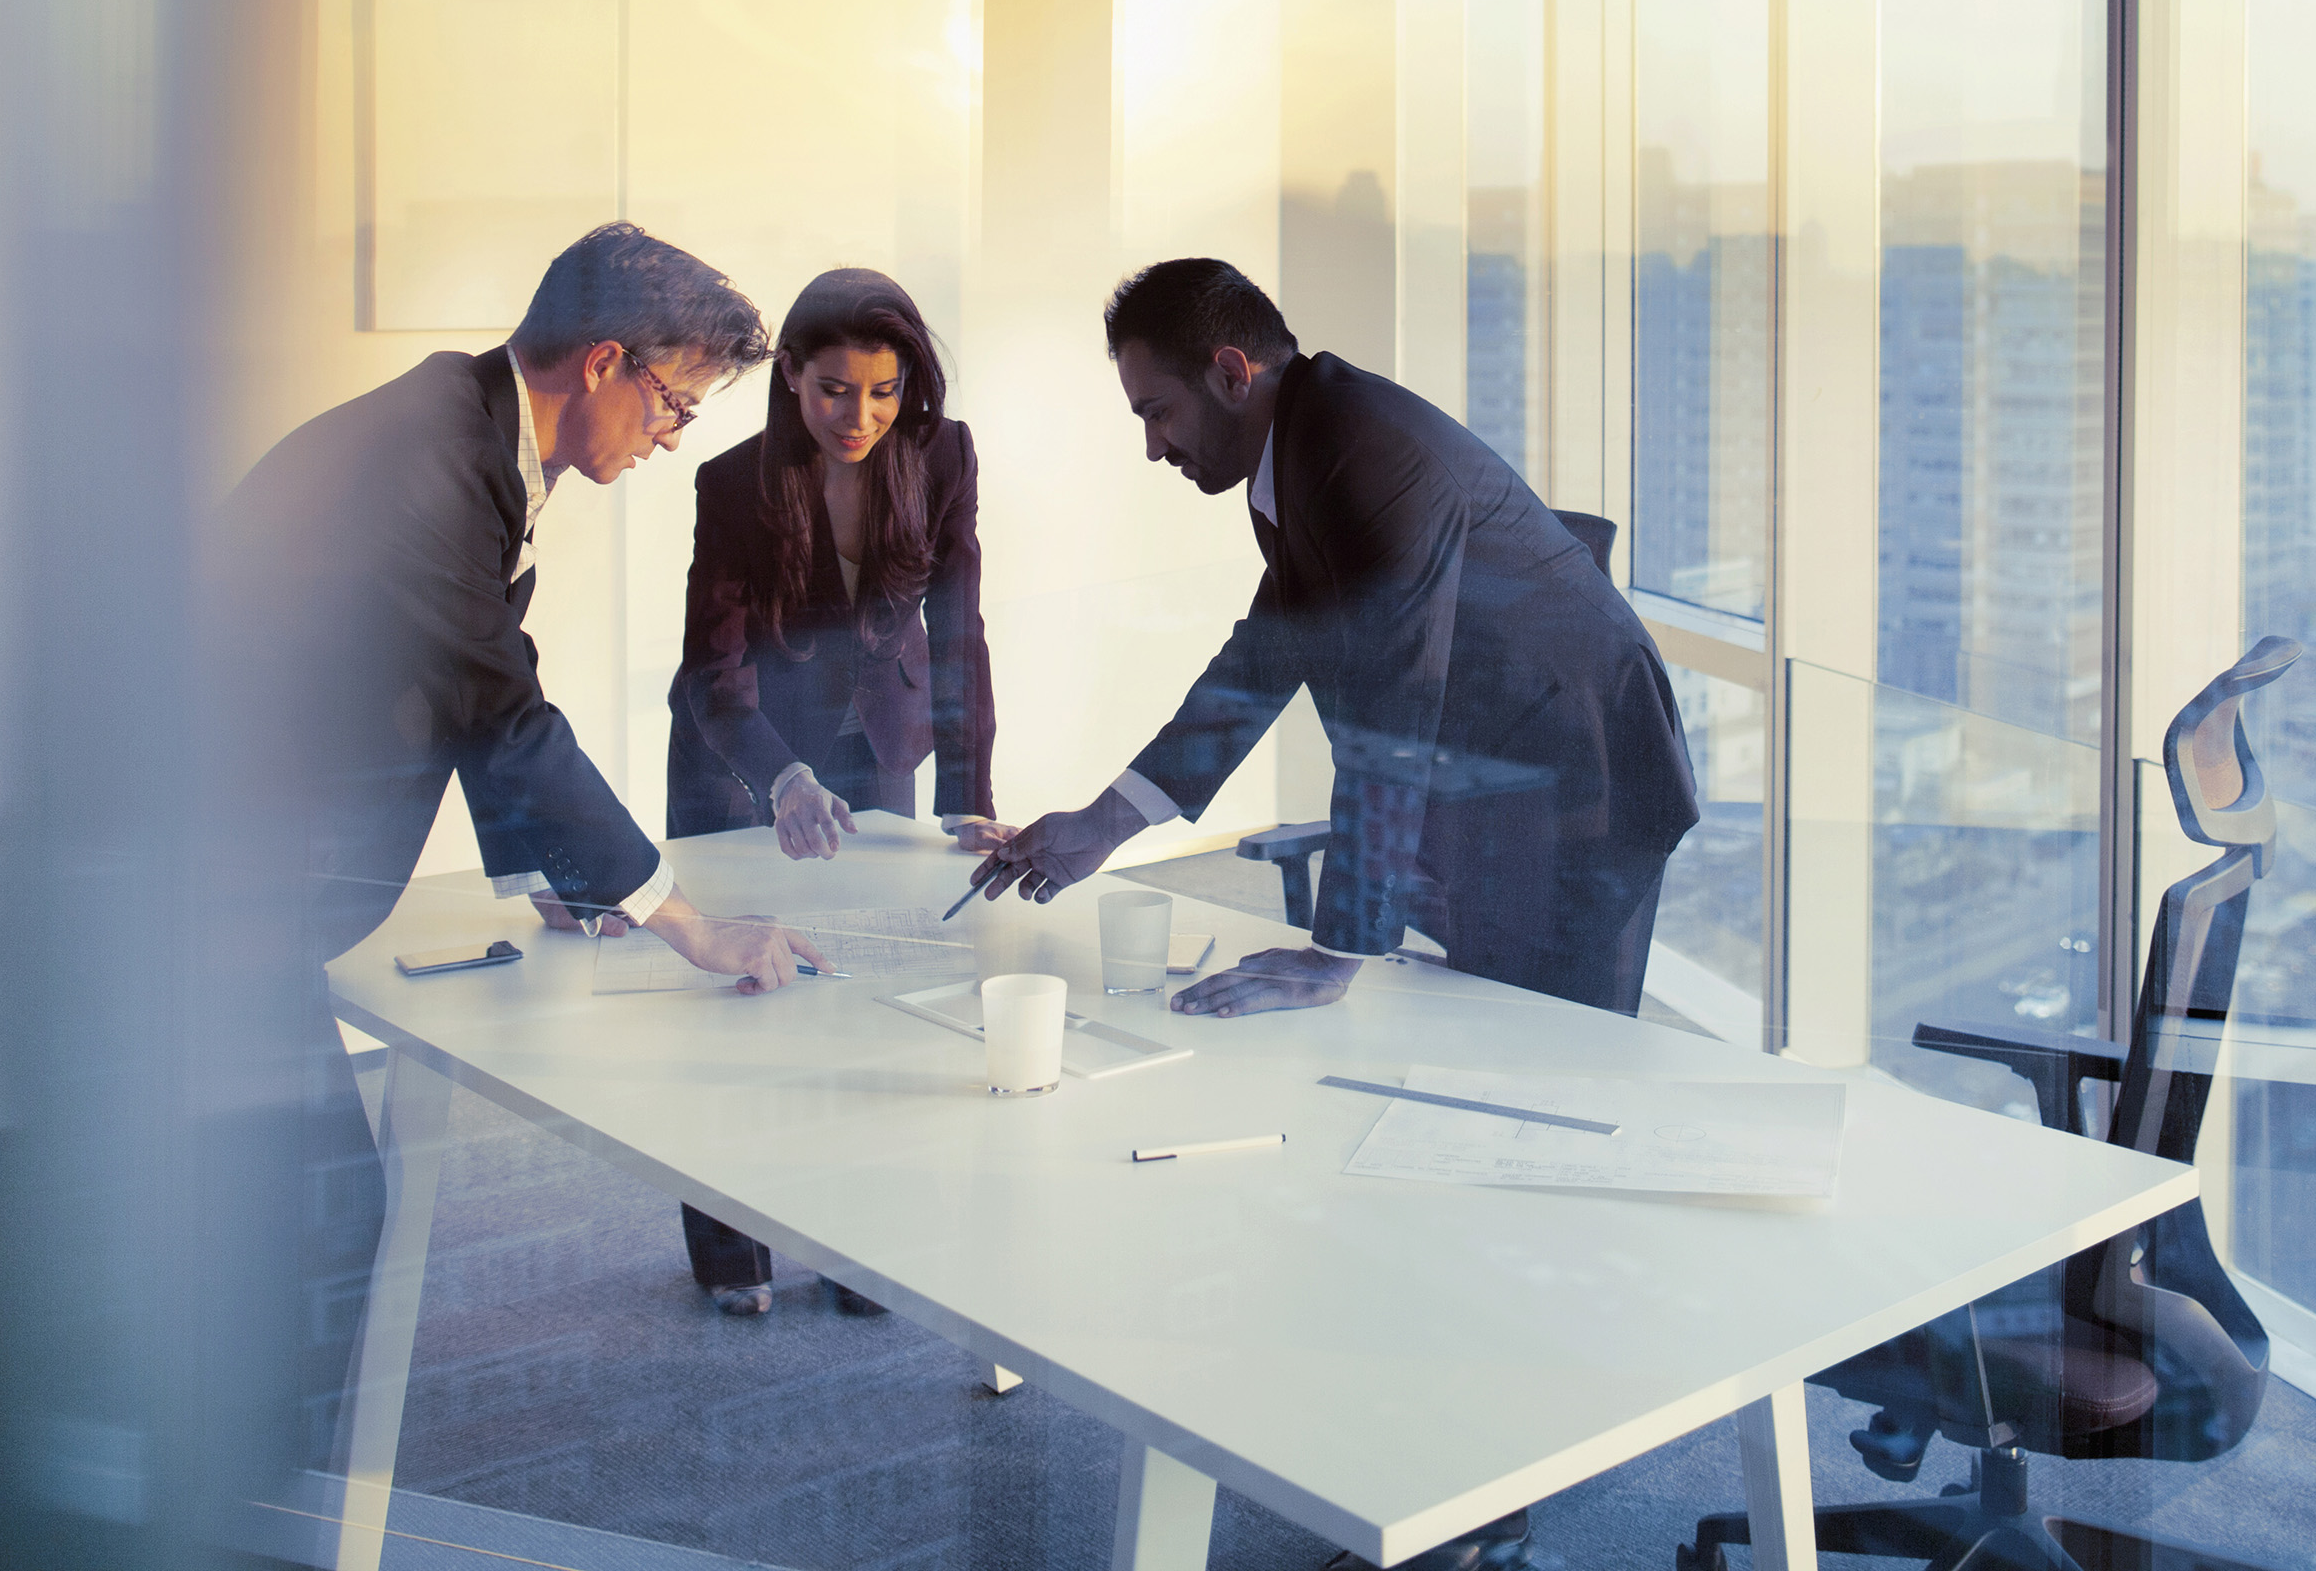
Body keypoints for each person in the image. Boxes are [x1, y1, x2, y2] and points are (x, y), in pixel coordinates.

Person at [220, 223, 821, 1458]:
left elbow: (469, 679)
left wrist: (554, 870)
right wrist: (689, 925)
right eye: (674, 402)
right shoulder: (427, 465)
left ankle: (257, 1480)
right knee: (311, 1215)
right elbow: (504, 708)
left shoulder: (465, 439)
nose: (672, 435)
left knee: (294, 1213)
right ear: (603, 362)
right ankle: (260, 1498)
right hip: (188, 891)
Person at [973, 257, 1697, 1015]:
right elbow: (1260, 663)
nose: (1155, 446)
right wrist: (1103, 824)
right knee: (1480, 1026)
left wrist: (1334, 954)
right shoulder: (1298, 454)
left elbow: (1391, 709)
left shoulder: (1365, 454)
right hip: (1497, 762)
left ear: (1230, 373)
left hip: (1580, 772)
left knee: (1544, 1046)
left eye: (1157, 412)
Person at [662, 265, 1001, 1314]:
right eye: (835, 389)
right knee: (738, 1004)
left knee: (871, 993)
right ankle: (732, 1251)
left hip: (878, 739)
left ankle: (863, 1239)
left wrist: (967, 790)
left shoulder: (943, 455)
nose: (861, 414)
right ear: (793, 381)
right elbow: (712, 669)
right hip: (742, 752)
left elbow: (961, 625)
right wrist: (782, 777)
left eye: (885, 390)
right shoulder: (733, 483)